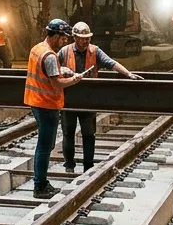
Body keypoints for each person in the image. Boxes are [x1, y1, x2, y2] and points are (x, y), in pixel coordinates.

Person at [58, 21, 135, 172]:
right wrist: (63, 70)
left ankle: (88, 167)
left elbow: (111, 63)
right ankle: (69, 166)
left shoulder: (95, 51)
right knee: (68, 133)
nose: (86, 41)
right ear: (74, 37)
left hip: (88, 100)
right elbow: (53, 68)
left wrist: (128, 73)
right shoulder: (64, 52)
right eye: (82, 38)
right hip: (68, 100)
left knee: (88, 134)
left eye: (87, 38)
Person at [25, 19, 83, 199]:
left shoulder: (38, 48)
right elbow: (56, 83)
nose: (65, 41)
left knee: (43, 145)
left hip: (35, 102)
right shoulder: (50, 56)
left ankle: (40, 182)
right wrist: (74, 79)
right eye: (64, 38)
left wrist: (61, 69)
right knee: (44, 146)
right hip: (47, 104)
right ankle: (40, 186)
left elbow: (47, 71)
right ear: (56, 36)